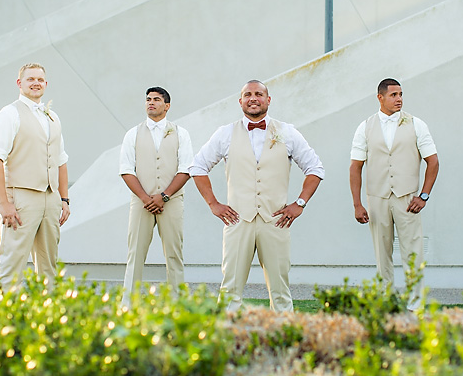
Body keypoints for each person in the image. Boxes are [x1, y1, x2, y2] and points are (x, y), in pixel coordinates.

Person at [189, 80, 324, 312]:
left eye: (259, 94)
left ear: (268, 100)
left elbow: (315, 169)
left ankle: (283, 335)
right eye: (248, 94)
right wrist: (214, 204)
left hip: (275, 220)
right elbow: (198, 167)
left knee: (280, 287)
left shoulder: (287, 132)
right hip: (238, 220)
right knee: (230, 285)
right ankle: (226, 336)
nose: (253, 98)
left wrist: (299, 203)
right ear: (240, 101)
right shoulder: (225, 133)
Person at [349, 78, 438, 307]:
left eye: (400, 94)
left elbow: (433, 161)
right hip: (377, 198)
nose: (399, 99)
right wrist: (358, 204)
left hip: (407, 197)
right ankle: (386, 303)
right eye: (393, 95)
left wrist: (424, 195)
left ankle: (415, 305)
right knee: (382, 254)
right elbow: (355, 167)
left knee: (413, 253)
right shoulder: (365, 127)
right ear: (380, 97)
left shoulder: (416, 124)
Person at [0, 63, 70, 288]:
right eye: (30, 79)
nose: (35, 83)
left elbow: (61, 160)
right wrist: (4, 204)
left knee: (49, 265)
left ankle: (48, 316)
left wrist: (64, 199)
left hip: (51, 199)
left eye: (40, 79)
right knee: (11, 263)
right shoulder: (9, 113)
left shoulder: (53, 116)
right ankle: (1, 315)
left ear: (46, 84)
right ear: (19, 83)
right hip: (21, 197)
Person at [119, 87, 193, 298]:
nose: (151, 103)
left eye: (157, 100)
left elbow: (186, 169)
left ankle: (177, 303)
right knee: (135, 254)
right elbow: (125, 169)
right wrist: (145, 198)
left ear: (166, 106)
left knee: (174, 254)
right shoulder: (132, 133)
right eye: (148, 99)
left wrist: (164, 196)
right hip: (140, 203)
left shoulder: (181, 133)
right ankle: (128, 303)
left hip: (172, 202)